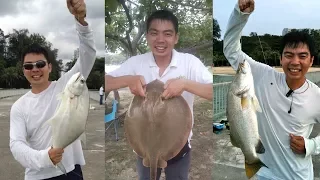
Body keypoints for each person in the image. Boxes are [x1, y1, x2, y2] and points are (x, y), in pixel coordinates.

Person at [105, 9, 213, 180]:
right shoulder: (136, 63)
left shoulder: (189, 62)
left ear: (176, 37)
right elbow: (104, 82)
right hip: (144, 147)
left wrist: (185, 84)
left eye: (167, 34)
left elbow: (215, 92)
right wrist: (128, 80)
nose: (160, 40)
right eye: (154, 33)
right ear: (147, 36)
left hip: (178, 146)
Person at [223, 0, 320, 179]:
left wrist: (311, 145)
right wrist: (240, 14)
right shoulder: (262, 75)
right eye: (289, 55)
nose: (295, 62)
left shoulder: (317, 96)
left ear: (311, 60)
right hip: (263, 172)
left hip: (298, 176)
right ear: (281, 59)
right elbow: (231, 49)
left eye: (302, 56)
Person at [9, 0, 96, 179]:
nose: (35, 69)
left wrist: (81, 21)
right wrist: (45, 157)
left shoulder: (66, 85)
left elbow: (87, 54)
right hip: (37, 175)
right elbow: (16, 144)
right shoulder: (19, 106)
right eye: (28, 66)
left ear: (49, 67)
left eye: (40, 64)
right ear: (23, 70)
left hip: (72, 171)